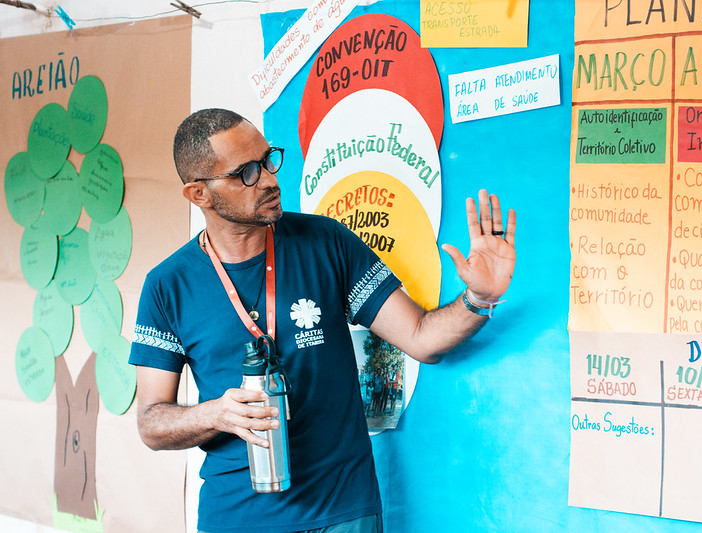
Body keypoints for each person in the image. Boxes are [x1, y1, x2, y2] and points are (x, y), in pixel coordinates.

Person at [129, 108, 516, 533]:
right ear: (199, 194)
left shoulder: (326, 242)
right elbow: (151, 423)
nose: (270, 180)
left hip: (344, 509)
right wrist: (215, 415)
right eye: (247, 173)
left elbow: (421, 338)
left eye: (268, 160)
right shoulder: (167, 285)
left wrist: (479, 298)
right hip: (237, 517)